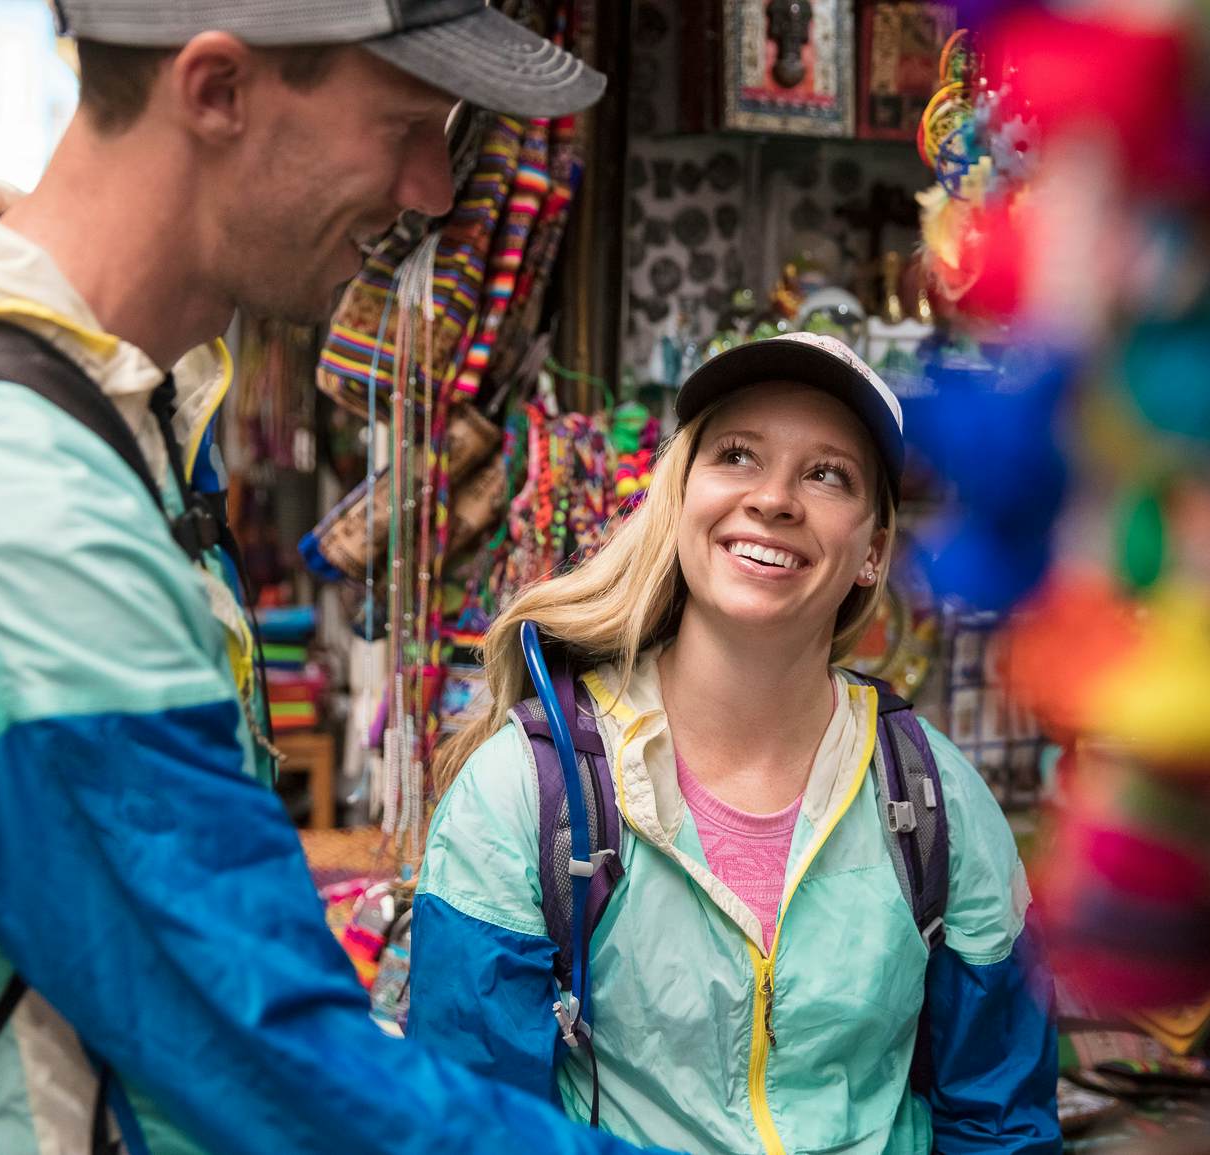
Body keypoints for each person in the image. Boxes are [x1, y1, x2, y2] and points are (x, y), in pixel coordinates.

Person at [0, 3, 661, 1153]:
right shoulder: (22, 506)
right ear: (216, 91)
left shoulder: (136, 414)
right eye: (406, 124)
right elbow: (256, 1048)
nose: (429, 188)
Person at [410, 333, 1062, 1154]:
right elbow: (470, 1127)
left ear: (873, 553)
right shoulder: (525, 792)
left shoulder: (936, 798)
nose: (775, 498)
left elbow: (999, 1121)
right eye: (737, 455)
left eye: (828, 474)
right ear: (678, 496)